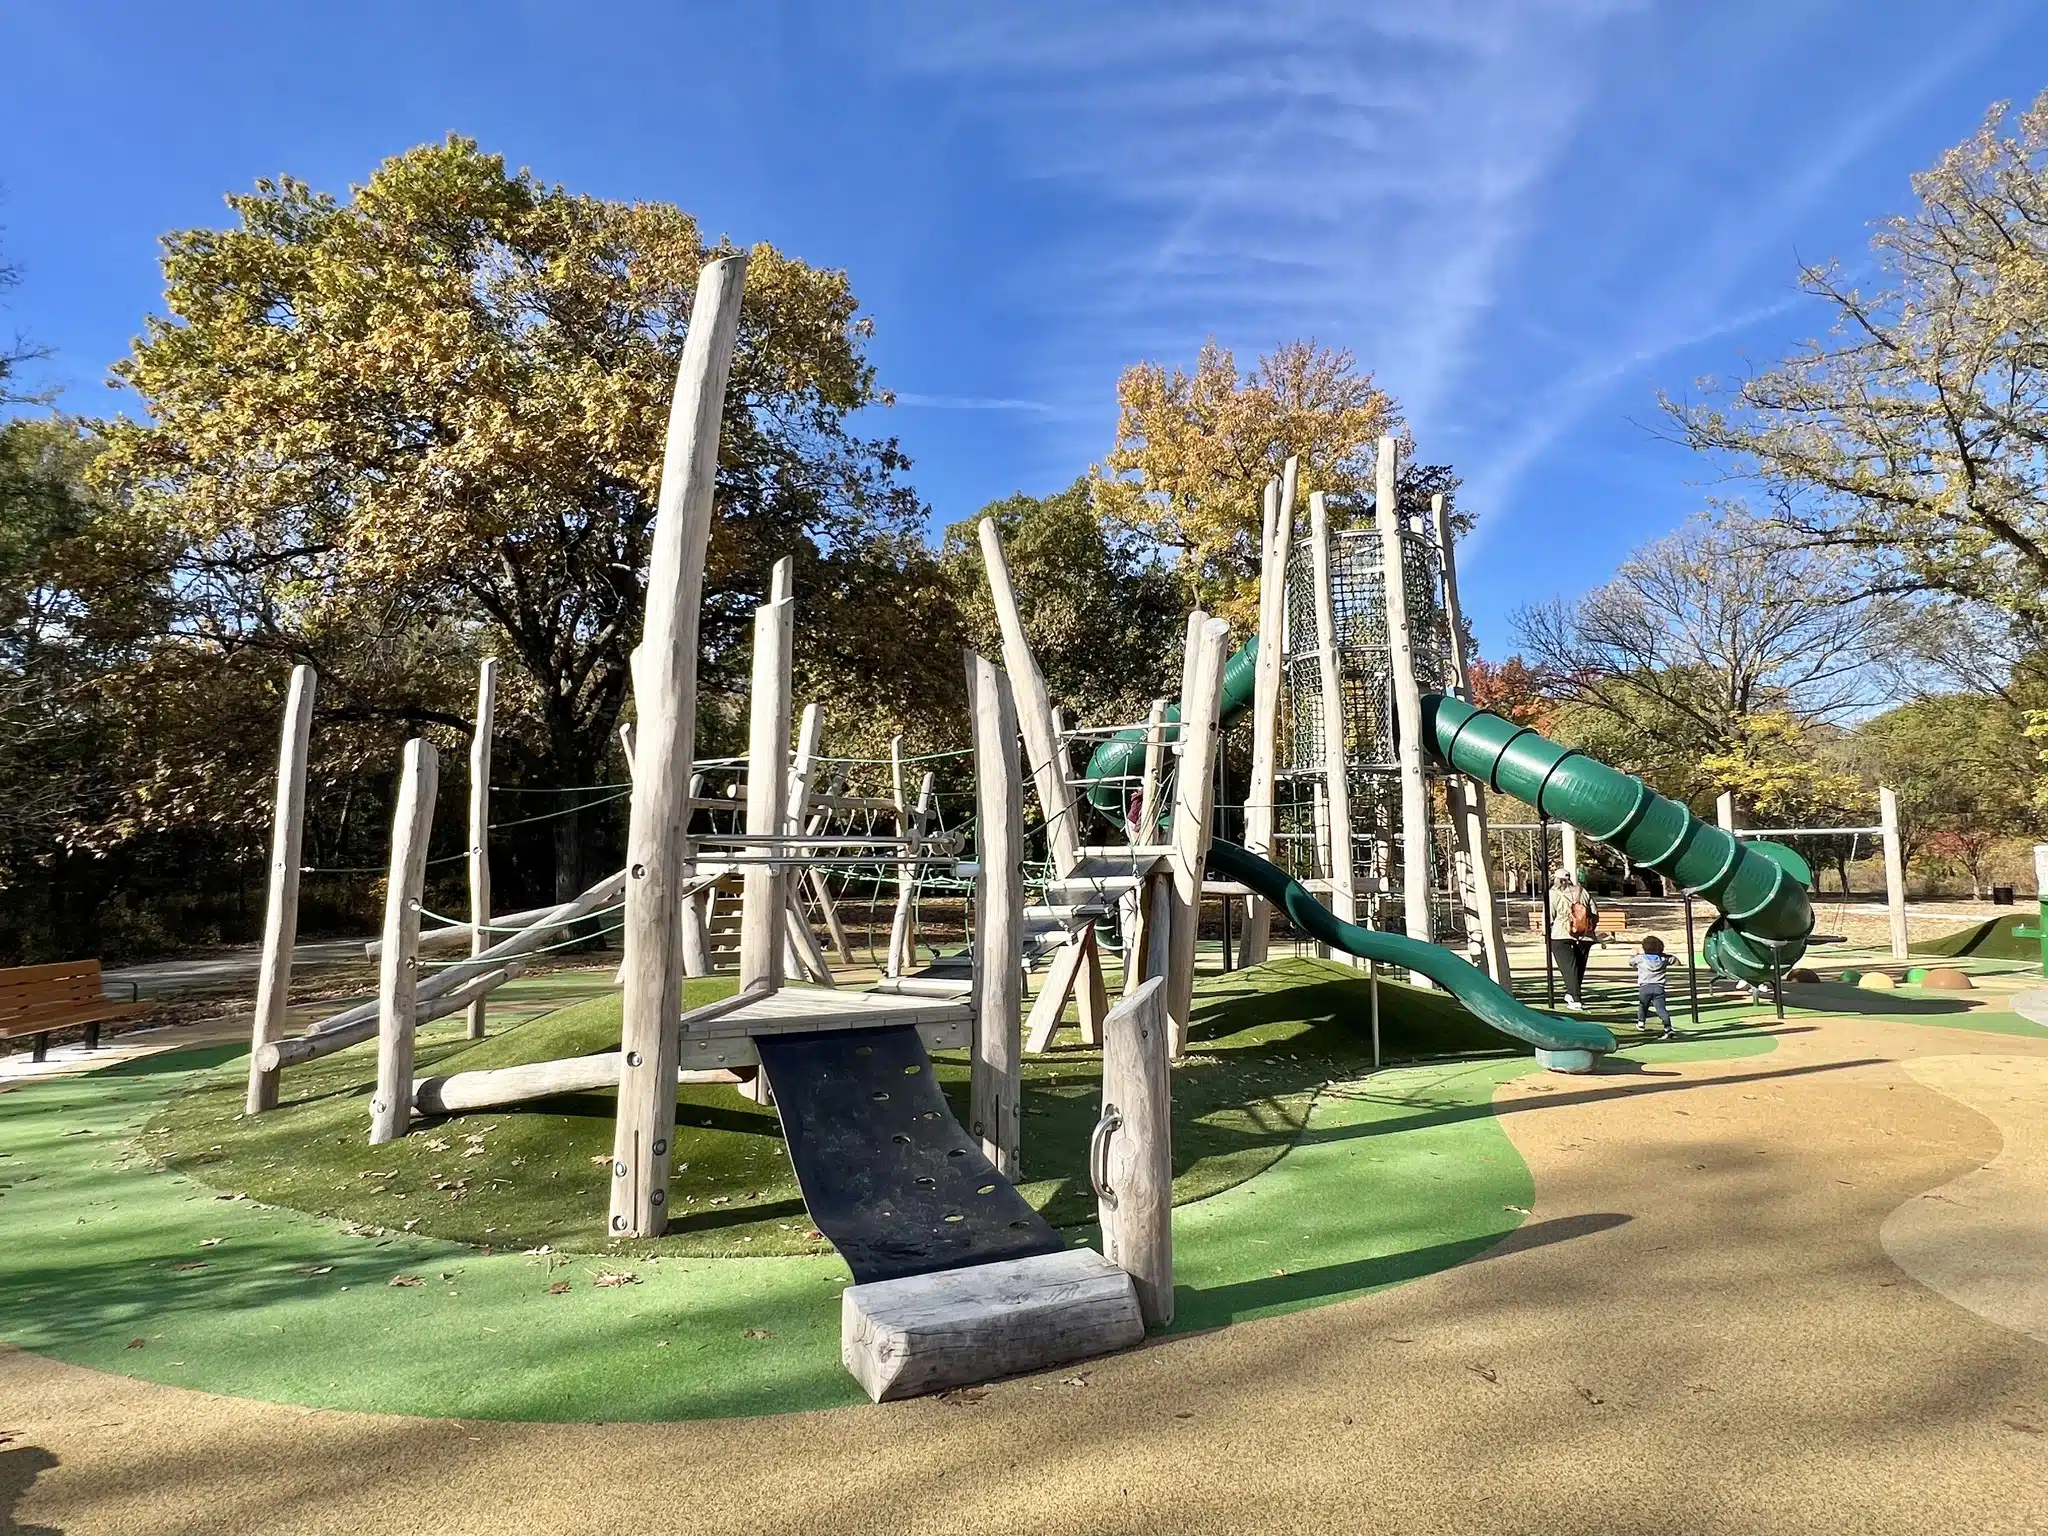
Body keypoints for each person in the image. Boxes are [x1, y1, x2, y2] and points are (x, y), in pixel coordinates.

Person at [1546, 867, 1598, 1010]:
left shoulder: (1553, 894)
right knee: (1579, 968)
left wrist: (1546, 932)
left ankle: (1575, 998)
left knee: (1568, 968)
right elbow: (1594, 912)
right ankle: (1572, 993)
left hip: (1561, 934)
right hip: (1585, 935)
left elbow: (1549, 916)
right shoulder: (1582, 891)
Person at [1632, 934, 1676, 1038]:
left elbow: (1631, 963)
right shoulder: (1664, 959)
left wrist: (1633, 954)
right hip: (1659, 987)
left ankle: (1641, 1023)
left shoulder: (1640, 958)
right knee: (1661, 1009)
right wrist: (1663, 954)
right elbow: (1674, 960)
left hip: (1645, 987)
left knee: (1643, 1006)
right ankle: (1668, 1028)